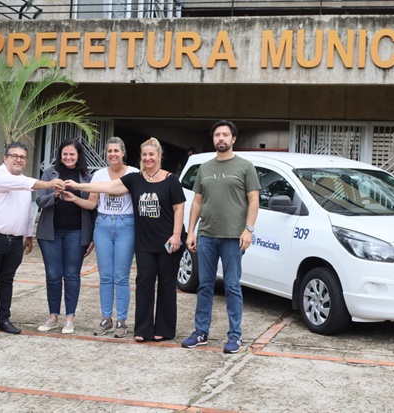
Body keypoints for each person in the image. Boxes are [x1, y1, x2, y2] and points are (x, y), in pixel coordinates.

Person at [65, 137, 185, 342]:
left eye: (151, 154)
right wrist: (77, 187)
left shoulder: (171, 179)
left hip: (166, 239)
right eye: (145, 155)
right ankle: (143, 329)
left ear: (159, 156)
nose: (148, 158)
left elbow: (179, 207)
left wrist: (176, 235)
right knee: (144, 283)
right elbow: (108, 187)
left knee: (165, 285)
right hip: (144, 241)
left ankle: (163, 329)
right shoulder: (134, 179)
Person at [181, 120, 260, 354]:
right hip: (206, 235)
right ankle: (201, 332)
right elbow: (197, 201)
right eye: (217, 135)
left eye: (225, 135)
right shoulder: (204, 168)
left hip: (233, 237)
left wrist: (249, 229)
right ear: (213, 139)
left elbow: (254, 199)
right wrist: (191, 231)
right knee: (205, 285)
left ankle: (235, 336)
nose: (221, 138)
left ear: (233, 139)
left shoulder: (245, 166)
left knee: (233, 285)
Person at [0, 141, 65, 338]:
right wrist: (48, 184)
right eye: (14, 156)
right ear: (5, 158)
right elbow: (23, 184)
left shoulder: (25, 182)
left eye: (22, 157)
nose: (18, 159)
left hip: (15, 241)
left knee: (7, 281)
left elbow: (27, 213)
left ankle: (3, 319)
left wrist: (28, 235)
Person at [66, 137, 138, 338]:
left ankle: (121, 321)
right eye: (109, 151)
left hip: (126, 225)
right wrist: (74, 198)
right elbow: (91, 204)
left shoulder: (133, 173)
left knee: (121, 277)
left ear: (123, 152)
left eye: (116, 150)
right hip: (103, 225)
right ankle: (106, 318)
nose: (112, 154)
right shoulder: (98, 174)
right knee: (105, 276)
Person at [35, 139, 96, 335]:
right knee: (53, 275)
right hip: (50, 233)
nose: (68, 157)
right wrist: (54, 195)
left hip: (77, 232)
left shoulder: (87, 177)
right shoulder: (49, 173)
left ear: (78, 156)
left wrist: (92, 236)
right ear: (60, 154)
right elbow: (39, 201)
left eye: (72, 154)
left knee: (71, 275)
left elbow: (93, 207)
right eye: (65, 154)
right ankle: (53, 316)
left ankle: (70, 318)